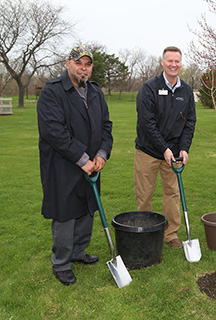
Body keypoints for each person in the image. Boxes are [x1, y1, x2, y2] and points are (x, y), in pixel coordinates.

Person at [37, 46, 113, 285]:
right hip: (63, 166)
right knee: (65, 213)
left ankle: (78, 252)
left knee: (87, 208)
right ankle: (61, 262)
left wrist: (101, 154)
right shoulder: (52, 91)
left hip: (92, 164)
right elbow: (54, 132)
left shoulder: (96, 93)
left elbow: (106, 126)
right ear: (68, 63)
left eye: (88, 64)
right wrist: (83, 160)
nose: (84, 68)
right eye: (79, 63)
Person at [134, 46, 196, 248]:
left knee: (172, 193)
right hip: (148, 151)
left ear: (181, 63)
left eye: (177, 61)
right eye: (169, 61)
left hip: (174, 153)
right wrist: (163, 148)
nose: (173, 64)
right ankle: (145, 232)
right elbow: (147, 123)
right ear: (162, 62)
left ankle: (170, 235)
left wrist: (184, 148)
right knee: (144, 195)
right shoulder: (150, 88)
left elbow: (189, 122)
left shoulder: (186, 90)